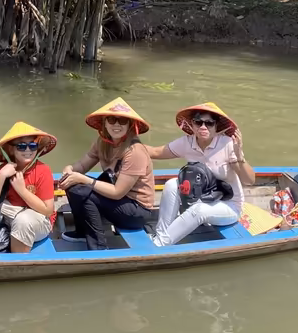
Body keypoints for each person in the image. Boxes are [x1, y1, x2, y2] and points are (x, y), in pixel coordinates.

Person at [146, 102, 255, 246]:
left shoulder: (227, 144)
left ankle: (159, 245)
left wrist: (239, 155)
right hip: (200, 199)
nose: (203, 127)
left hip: (228, 205)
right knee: (172, 184)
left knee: (199, 210)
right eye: (199, 122)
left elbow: (249, 180)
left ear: (217, 127)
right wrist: (125, 146)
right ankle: (162, 233)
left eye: (209, 123)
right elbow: (155, 152)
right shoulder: (187, 142)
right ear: (192, 125)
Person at [58, 98, 155, 250]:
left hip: (136, 211)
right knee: (73, 185)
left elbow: (117, 192)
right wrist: (69, 170)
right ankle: (83, 232)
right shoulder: (102, 142)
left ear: (130, 125)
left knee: (83, 190)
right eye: (111, 119)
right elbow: (83, 164)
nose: (116, 124)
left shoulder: (135, 152)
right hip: (117, 199)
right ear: (105, 123)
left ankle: (99, 247)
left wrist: (83, 179)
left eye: (122, 120)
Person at [0, 121, 57, 253]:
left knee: (23, 221)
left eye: (32, 146)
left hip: (37, 219)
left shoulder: (43, 170)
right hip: (11, 213)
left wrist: (22, 190)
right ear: (11, 149)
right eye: (21, 146)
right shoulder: (4, 168)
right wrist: (2, 175)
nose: (28, 150)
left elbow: (47, 211)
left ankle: (15, 256)